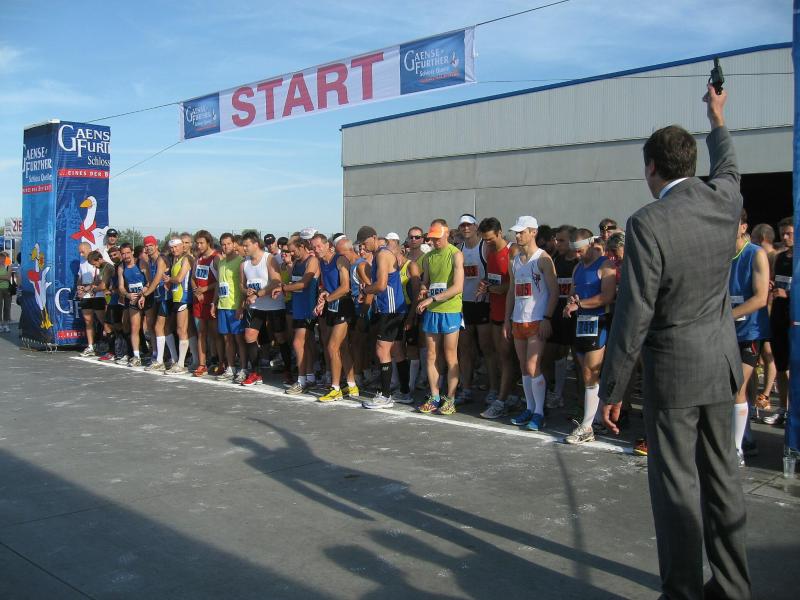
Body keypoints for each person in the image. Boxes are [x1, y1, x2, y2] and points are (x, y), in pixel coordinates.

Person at [600, 86, 751, 599]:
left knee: (677, 488)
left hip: (673, 373)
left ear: (652, 167)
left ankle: (683, 591)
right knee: (723, 480)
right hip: (721, 364)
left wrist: (613, 387)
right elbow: (729, 164)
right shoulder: (725, 200)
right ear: (690, 161)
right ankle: (732, 588)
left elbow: (635, 311)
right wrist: (717, 116)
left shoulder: (648, 221)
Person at [504, 216, 558, 431]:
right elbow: (512, 291)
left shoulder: (543, 259)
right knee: (523, 366)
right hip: (518, 319)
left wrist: (547, 317)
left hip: (536, 319)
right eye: (516, 232)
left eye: (522, 232)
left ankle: (539, 412)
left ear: (533, 232)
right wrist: (507, 320)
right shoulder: (515, 260)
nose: (518, 236)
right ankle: (530, 407)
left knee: (533, 365)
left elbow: (554, 291)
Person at [563, 229, 617, 444]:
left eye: (581, 251)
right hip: (581, 323)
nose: (577, 255)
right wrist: (569, 304)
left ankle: (587, 427)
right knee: (585, 371)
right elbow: (572, 293)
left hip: (599, 322)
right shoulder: (578, 267)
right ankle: (595, 419)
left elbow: (607, 296)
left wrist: (580, 304)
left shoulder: (606, 265)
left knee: (590, 372)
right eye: (575, 252)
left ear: (592, 244)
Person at [729, 209, 770, 465]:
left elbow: (760, 298)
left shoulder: (756, 254)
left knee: (736, 387)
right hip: (725, 332)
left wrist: (727, 315)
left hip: (749, 332)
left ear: (744, 227)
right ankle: (745, 437)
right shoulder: (720, 256)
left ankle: (736, 450)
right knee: (730, 389)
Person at [357, 225, 411, 408]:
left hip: (391, 309)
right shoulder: (380, 255)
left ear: (374, 237)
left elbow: (380, 285)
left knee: (382, 350)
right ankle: (404, 392)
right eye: (360, 245)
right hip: (392, 308)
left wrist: (365, 290)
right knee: (397, 350)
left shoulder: (382, 255)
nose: (363, 247)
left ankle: (386, 396)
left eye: (365, 243)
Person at [416, 220, 464, 416]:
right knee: (431, 355)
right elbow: (426, 281)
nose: (434, 242)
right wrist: (423, 290)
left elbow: (458, 287)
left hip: (450, 310)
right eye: (432, 238)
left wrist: (432, 298)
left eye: (437, 238)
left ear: (446, 234)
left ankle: (450, 399)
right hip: (432, 311)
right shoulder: (428, 257)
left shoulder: (455, 254)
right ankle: (435, 396)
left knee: (450, 355)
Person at [477, 218, 517, 419]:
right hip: (495, 312)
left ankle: (504, 399)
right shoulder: (490, 253)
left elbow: (512, 286)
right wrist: (485, 284)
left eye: (490, 239)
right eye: (484, 240)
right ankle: (505, 394)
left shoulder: (512, 251)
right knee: (497, 355)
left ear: (500, 233)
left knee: (507, 357)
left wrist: (491, 289)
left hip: (510, 314)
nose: (488, 243)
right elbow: (493, 280)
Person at [312, 233, 358, 401]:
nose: (316, 250)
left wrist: (327, 299)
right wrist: (324, 294)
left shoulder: (340, 260)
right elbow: (329, 287)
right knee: (342, 347)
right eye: (314, 247)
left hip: (344, 306)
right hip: (332, 307)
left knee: (332, 347)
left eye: (319, 246)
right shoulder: (321, 262)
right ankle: (352, 386)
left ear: (328, 245)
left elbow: (345, 287)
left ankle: (336, 388)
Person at [456, 214, 495, 406]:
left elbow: (494, 272)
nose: (466, 228)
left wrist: (486, 284)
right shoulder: (459, 249)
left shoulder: (484, 247)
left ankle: (493, 389)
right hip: (464, 303)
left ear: (475, 226)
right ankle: (466, 388)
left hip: (482, 303)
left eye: (469, 225)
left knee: (487, 347)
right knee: (464, 348)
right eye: (462, 225)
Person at [276, 234, 319, 395]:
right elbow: (294, 283)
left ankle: (301, 380)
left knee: (298, 343)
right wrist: (282, 287)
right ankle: (310, 378)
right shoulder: (296, 263)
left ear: (302, 246)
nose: (291, 254)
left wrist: (284, 288)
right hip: (298, 308)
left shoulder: (312, 261)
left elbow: (304, 283)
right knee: (306, 344)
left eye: (293, 251)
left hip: (308, 308)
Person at [765, 216, 793, 426]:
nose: (784, 237)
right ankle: (783, 408)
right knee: (781, 367)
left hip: (795, 321)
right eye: (782, 233)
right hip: (778, 318)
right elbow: (775, 282)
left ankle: (794, 411)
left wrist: (788, 294)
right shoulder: (779, 257)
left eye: (789, 233)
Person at [211, 233, 247, 382]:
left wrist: (241, 306)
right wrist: (214, 303)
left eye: (228, 244)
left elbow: (244, 286)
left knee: (239, 339)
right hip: (223, 306)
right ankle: (231, 367)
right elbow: (218, 285)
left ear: (234, 244)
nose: (225, 247)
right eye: (223, 244)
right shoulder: (221, 262)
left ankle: (244, 368)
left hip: (235, 306)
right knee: (227, 339)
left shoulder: (241, 262)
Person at [192, 230, 223, 377]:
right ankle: (202, 364)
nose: (199, 246)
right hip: (199, 302)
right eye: (197, 243)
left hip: (211, 301)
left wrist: (205, 289)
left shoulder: (216, 258)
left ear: (208, 242)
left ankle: (221, 363)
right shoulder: (198, 259)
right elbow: (193, 278)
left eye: (201, 243)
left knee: (216, 334)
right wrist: (196, 291)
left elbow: (220, 281)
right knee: (201, 333)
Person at [117, 242, 151, 367]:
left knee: (151, 327)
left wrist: (143, 294)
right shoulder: (121, 267)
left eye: (127, 253)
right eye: (123, 254)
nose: (126, 256)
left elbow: (150, 282)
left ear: (132, 252)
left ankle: (155, 354)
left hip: (146, 297)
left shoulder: (141, 263)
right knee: (134, 327)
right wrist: (127, 295)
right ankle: (136, 356)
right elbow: (121, 287)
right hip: (133, 298)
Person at [76, 242, 106, 357]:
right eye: (79, 252)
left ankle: (110, 344)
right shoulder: (82, 263)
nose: (81, 254)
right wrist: (79, 287)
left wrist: (89, 287)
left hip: (97, 294)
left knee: (103, 320)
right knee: (88, 321)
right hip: (86, 295)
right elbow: (80, 277)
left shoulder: (97, 259)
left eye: (82, 251)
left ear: (89, 249)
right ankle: (90, 346)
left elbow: (100, 278)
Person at [0, 251, 13, 332]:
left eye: (4, 257)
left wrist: (2, 278)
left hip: (8, 289)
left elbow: (8, 277)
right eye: (1, 257)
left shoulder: (9, 266)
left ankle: (5, 324)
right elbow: (6, 277)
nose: (3, 259)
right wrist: (4, 277)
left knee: (7, 307)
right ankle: (0, 324)